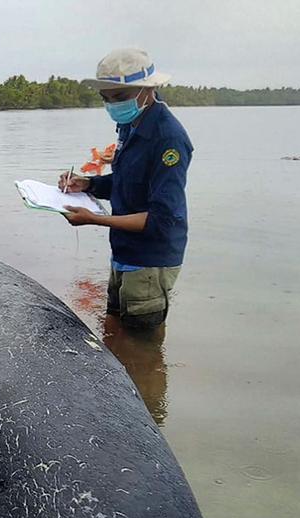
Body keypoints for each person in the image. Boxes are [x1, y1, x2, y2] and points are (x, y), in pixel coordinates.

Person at [59, 48, 193, 330]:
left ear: (147, 90)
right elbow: (125, 184)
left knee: (144, 348)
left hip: (149, 261)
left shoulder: (168, 139)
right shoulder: (129, 125)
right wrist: (89, 183)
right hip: (123, 252)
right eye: (105, 98)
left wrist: (94, 219)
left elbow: (160, 219)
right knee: (117, 331)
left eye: (119, 97)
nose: (111, 105)